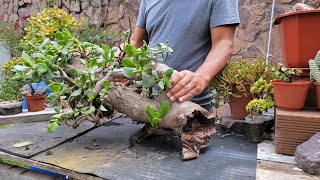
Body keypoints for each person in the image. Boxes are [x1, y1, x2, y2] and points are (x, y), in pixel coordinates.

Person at [130, 0, 240, 111]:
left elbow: (223, 43)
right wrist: (115, 63)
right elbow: (136, 42)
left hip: (192, 108)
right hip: (149, 104)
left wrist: (200, 77)